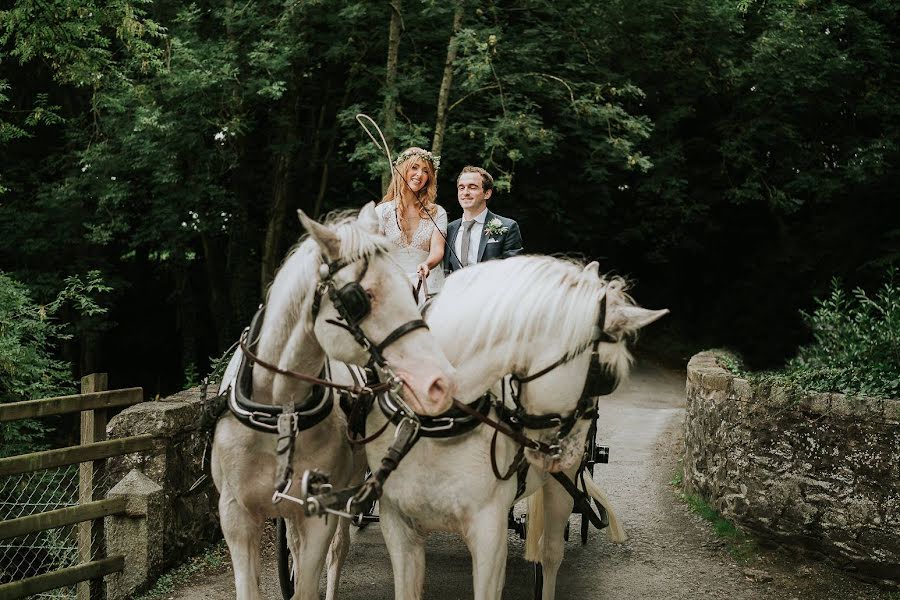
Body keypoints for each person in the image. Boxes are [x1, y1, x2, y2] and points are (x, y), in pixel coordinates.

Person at [375, 147, 448, 295]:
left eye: (426, 171)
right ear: (402, 170)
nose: (420, 174)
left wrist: (427, 264)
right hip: (391, 284)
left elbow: (437, 250)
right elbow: (375, 251)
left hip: (428, 283)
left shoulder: (437, 212)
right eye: (414, 168)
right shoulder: (382, 211)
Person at [443, 166, 523, 274]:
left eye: (472, 187)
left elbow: (514, 271)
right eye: (461, 188)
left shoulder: (508, 227)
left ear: (487, 193)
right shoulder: (449, 229)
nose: (465, 192)